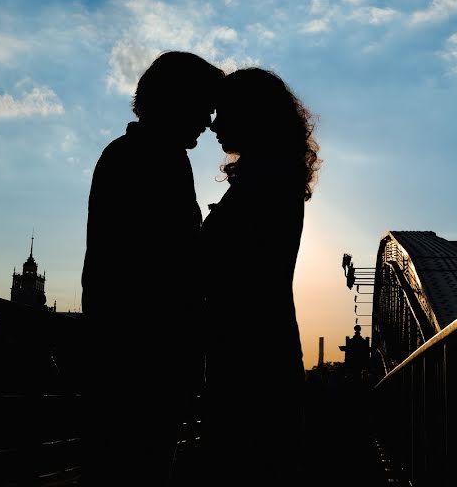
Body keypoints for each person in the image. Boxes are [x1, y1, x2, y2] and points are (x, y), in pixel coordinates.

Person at [79, 51, 223, 486]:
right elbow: (167, 261)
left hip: (129, 350)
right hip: (145, 352)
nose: (209, 120)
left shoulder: (135, 153)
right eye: (204, 106)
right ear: (177, 101)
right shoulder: (153, 158)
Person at [200, 67, 320, 485]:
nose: (213, 124)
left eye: (224, 112)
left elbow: (226, 268)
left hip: (247, 360)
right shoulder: (274, 177)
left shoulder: (262, 182)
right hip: (262, 350)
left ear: (252, 116)